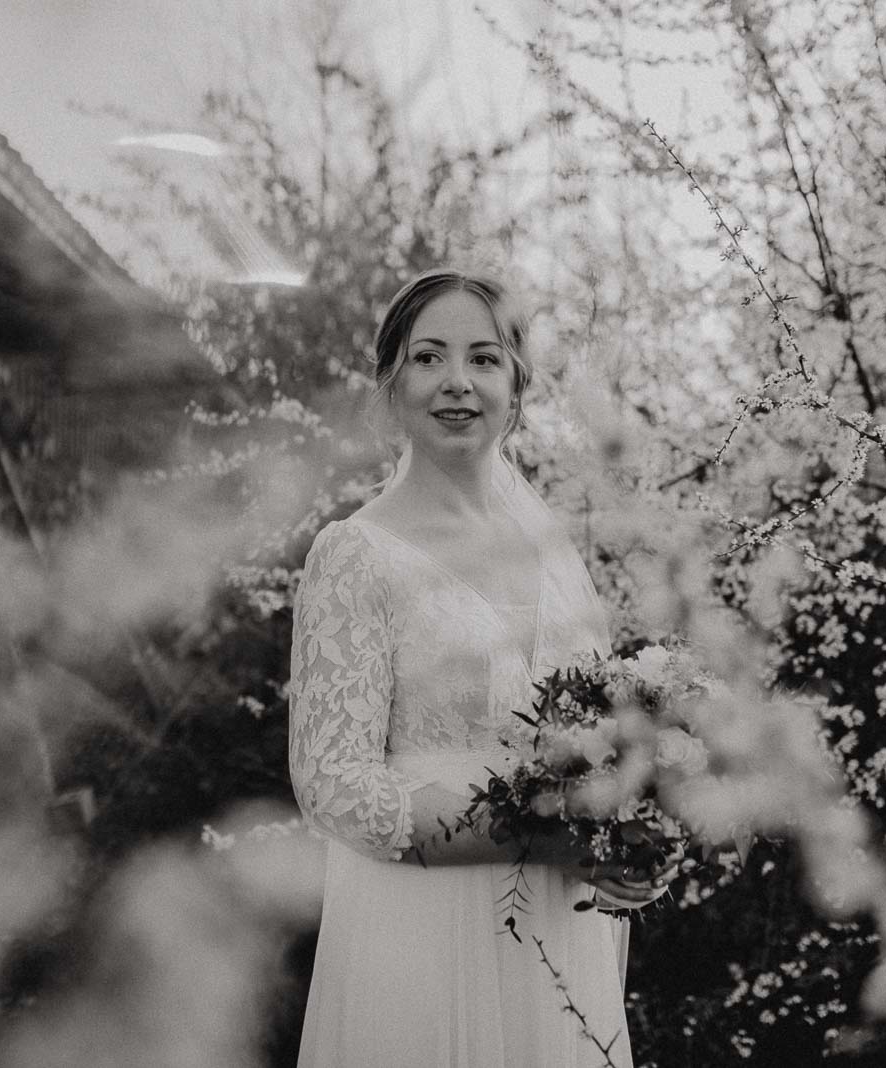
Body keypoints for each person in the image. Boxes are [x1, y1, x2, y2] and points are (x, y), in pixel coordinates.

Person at [288, 268, 667, 1067]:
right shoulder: (355, 555)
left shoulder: (557, 557)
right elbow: (332, 783)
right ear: (391, 386)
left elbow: (607, 742)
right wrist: (542, 835)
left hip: (558, 940)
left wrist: (634, 834)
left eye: (484, 359)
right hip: (419, 932)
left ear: (517, 388)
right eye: (428, 358)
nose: (457, 382)